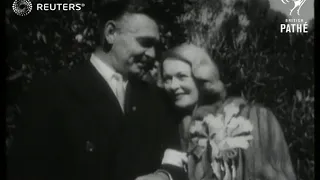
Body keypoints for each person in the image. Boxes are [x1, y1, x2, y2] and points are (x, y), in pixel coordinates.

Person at [7, 1, 187, 180]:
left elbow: (176, 156)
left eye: (155, 46)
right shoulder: (52, 92)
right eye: (145, 42)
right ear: (110, 33)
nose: (152, 54)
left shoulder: (157, 99)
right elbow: (26, 170)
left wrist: (165, 176)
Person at [138, 43, 297, 180]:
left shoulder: (251, 117)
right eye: (167, 79)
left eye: (181, 76)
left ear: (202, 78)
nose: (172, 86)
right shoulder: (174, 127)